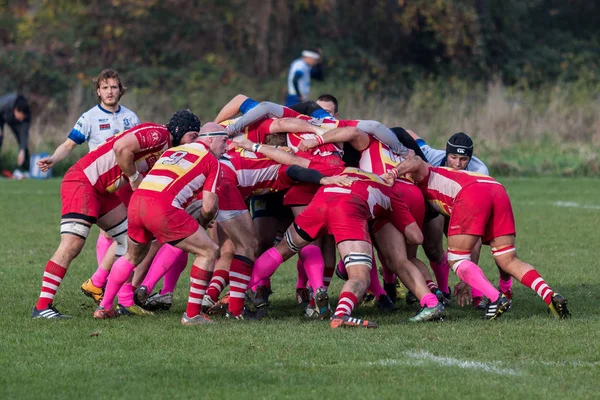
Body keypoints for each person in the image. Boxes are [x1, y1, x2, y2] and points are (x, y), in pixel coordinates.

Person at [31, 111, 199, 319]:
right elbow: (121, 148)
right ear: (179, 130)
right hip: (83, 182)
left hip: (102, 191)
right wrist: (133, 177)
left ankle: (125, 302)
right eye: (193, 136)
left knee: (132, 242)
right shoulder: (159, 134)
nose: (194, 142)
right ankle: (42, 306)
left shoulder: (167, 150)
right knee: (72, 245)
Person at [385, 155, 570, 320]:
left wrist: (393, 172)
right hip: (496, 188)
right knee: (508, 258)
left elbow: (416, 161)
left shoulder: (424, 173)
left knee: (456, 259)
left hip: (471, 193)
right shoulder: (444, 176)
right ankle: (550, 296)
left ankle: (496, 298)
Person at [93, 121, 228, 324]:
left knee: (131, 256)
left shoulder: (172, 152)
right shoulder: (211, 161)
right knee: (208, 251)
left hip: (138, 202)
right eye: (224, 141)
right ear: (210, 139)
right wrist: (205, 219)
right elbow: (209, 206)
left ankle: (104, 307)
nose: (226, 147)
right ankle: (192, 315)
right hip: (162, 207)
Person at [0, 93, 32, 177]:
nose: (22, 119)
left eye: (23, 118)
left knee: (24, 146)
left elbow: (24, 134)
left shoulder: (26, 115)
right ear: (16, 110)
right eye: (21, 116)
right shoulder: (5, 104)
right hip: (1, 116)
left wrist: (22, 150)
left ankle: (25, 170)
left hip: (15, 122)